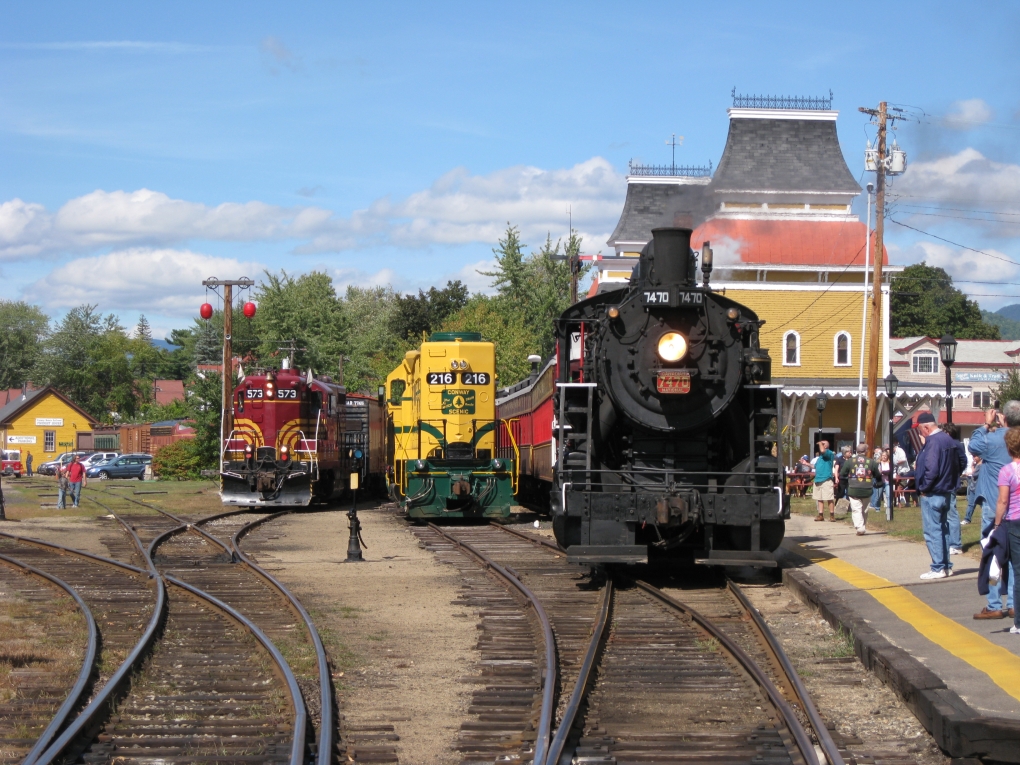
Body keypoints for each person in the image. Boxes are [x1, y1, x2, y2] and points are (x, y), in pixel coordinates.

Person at [970, 402, 1020, 618]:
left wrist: (986, 424)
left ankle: (993, 605)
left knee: (993, 556)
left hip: (996, 503)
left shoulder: (992, 438)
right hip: (1017, 508)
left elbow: (974, 446)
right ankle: (1013, 603)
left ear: (1003, 418)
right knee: (1016, 558)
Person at [914, 412, 966, 579]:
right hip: (946, 490)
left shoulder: (933, 442)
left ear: (927, 428)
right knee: (943, 530)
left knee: (933, 531)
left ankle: (938, 567)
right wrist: (952, 478)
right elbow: (962, 461)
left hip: (933, 492)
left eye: (920, 430)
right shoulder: (948, 440)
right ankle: (946, 565)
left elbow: (932, 468)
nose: (920, 433)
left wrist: (924, 487)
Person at [994, 427, 1020, 634]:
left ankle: (1019, 622)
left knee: (1018, 572)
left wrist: (996, 523)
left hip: (1015, 521)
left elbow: (1003, 500)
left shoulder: (1007, 471)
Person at [841, 443, 880, 535]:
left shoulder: (850, 461)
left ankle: (860, 527)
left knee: (856, 509)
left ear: (856, 451)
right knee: (864, 509)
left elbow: (843, 473)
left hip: (853, 488)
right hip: (867, 489)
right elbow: (877, 474)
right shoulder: (871, 462)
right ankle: (862, 526)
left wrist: (850, 477)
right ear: (866, 451)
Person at [942, 422, 966, 556]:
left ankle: (956, 544)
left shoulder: (955, 444)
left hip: (950, 482)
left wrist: (956, 472)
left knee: (952, 513)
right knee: (945, 513)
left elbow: (963, 461)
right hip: (944, 482)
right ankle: (948, 541)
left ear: (948, 433)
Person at [813, 440, 836, 522]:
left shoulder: (829, 453)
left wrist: (819, 443)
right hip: (818, 479)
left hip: (826, 479)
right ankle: (820, 515)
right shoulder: (820, 457)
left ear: (826, 446)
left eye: (823, 444)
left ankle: (832, 515)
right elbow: (814, 466)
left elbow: (822, 450)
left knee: (829, 498)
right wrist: (806, 463)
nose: (821, 445)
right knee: (819, 498)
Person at [963, 457, 981, 525]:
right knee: (970, 504)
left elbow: (975, 474)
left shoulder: (981, 464)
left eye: (975, 456)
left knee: (982, 505)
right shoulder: (977, 464)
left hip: (979, 488)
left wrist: (972, 467)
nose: (973, 458)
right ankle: (967, 519)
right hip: (973, 488)